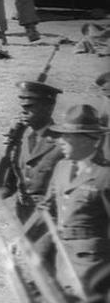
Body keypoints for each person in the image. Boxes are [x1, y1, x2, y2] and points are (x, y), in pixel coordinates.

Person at [43, 104, 110, 292]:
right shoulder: (61, 168)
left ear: (88, 140)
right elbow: (47, 212)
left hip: (94, 267)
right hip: (63, 260)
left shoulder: (105, 175)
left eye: (67, 136)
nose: (60, 142)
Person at [0, 81, 64, 224]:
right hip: (24, 218)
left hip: (51, 222)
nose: (23, 112)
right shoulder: (20, 138)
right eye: (22, 107)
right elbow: (9, 186)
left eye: (29, 107)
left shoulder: (62, 143)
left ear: (49, 107)